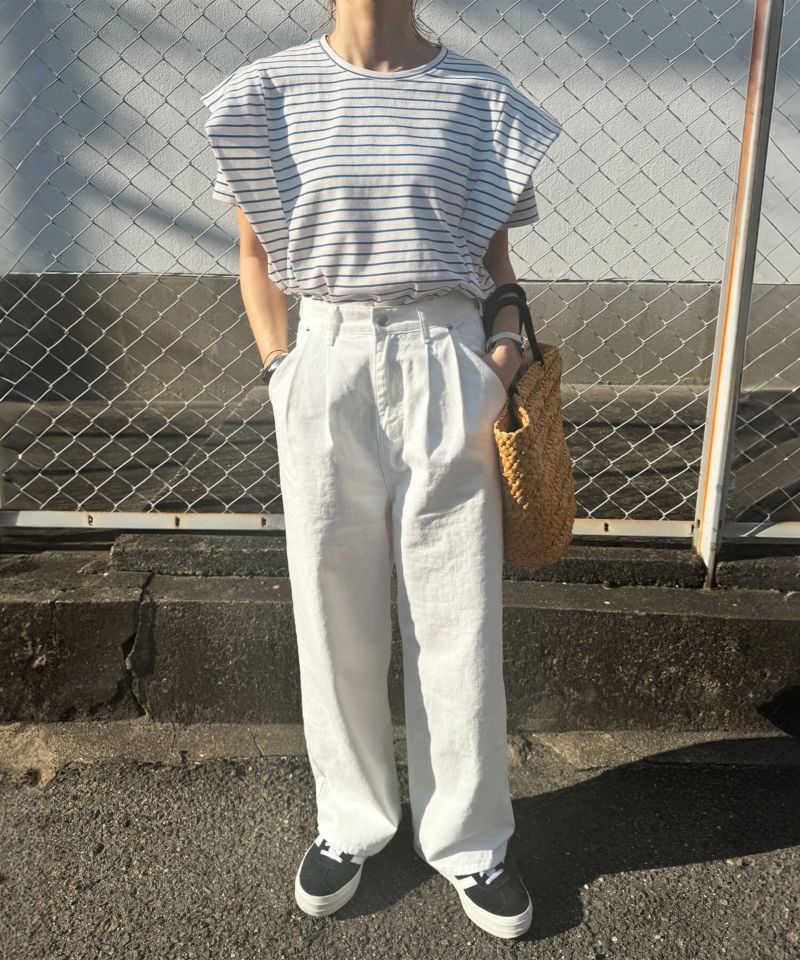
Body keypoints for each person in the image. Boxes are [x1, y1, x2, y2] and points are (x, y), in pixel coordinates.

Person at [200, 0, 561, 940]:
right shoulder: (265, 95)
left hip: (449, 356)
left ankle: (471, 839)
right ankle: (350, 819)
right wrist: (281, 372)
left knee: (458, 613)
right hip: (325, 359)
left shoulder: (479, 97)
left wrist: (500, 362)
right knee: (332, 608)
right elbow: (253, 254)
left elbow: (497, 263)